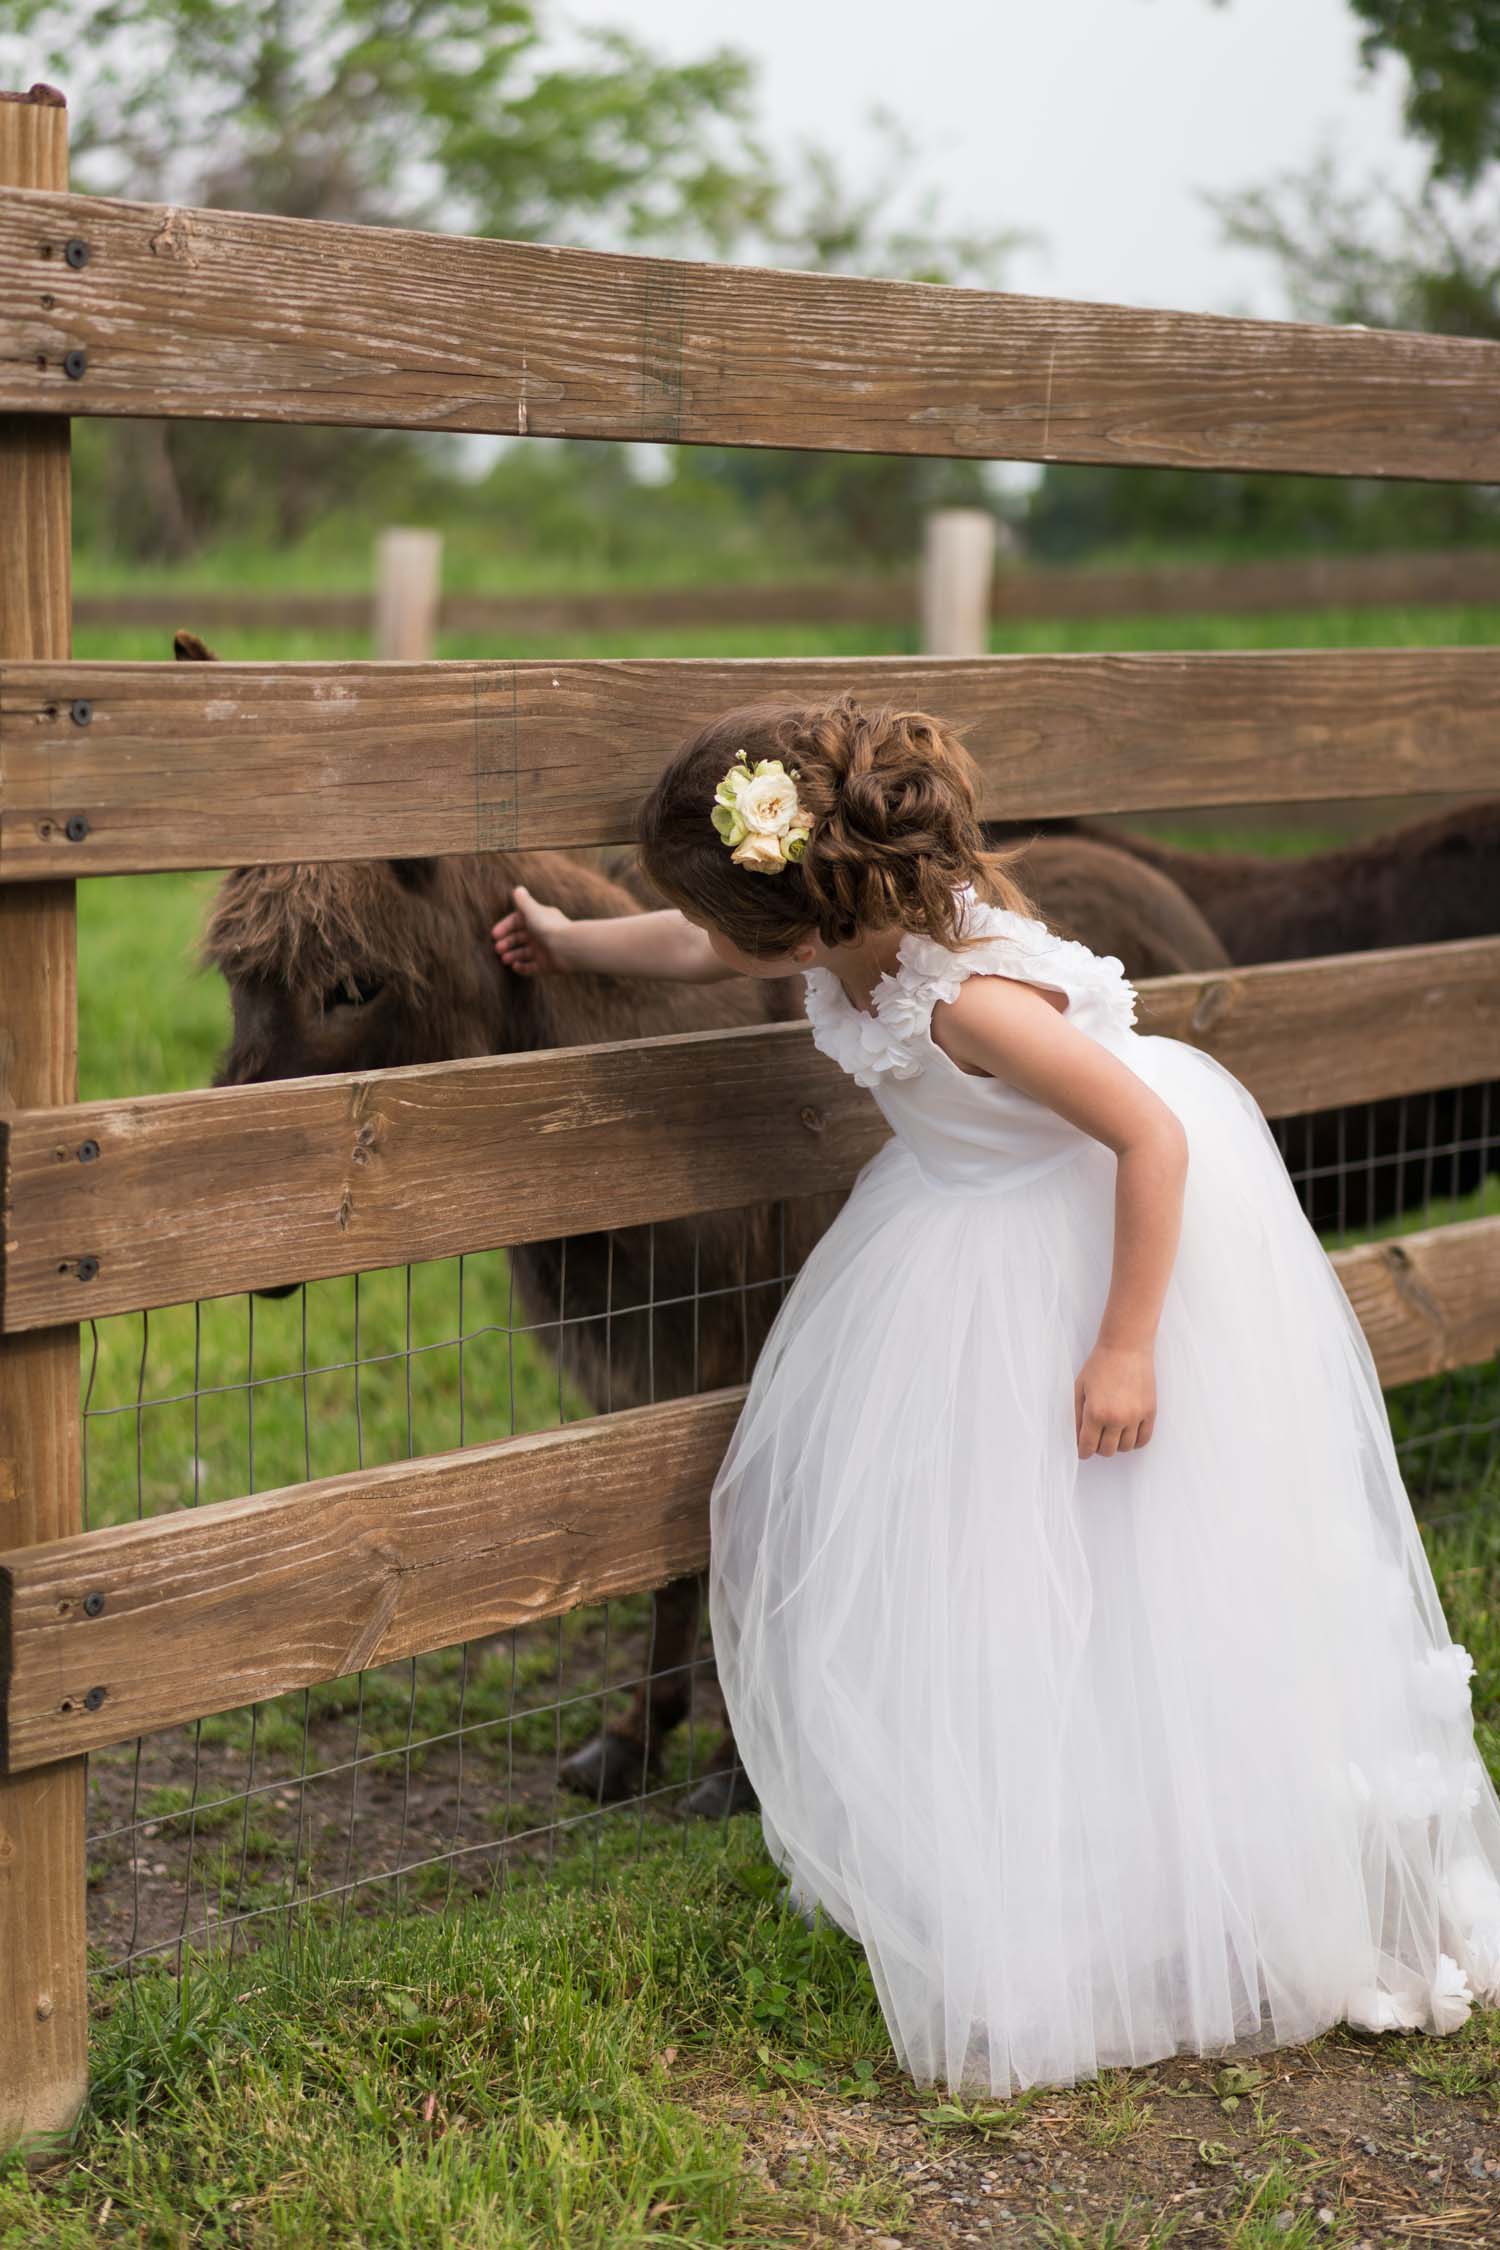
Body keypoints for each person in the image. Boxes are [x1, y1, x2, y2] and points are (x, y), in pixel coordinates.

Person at [490, 692, 1500, 2095]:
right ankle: (1018, 1818)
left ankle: (1167, 1857)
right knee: (971, 1543)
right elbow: (696, 939)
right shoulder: (833, 917)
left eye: (729, 923)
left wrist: (1127, 1342)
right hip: (959, 1223)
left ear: (796, 911)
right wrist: (567, 938)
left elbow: (1149, 1135)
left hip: (1090, 1242)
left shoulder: (965, 1000)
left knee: (1123, 1550)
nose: (713, 944)